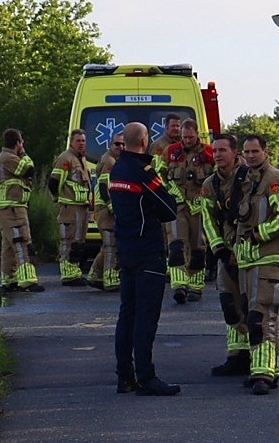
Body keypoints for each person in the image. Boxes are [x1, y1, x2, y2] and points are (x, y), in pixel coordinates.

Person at [108, 122, 183, 396]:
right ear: (144, 141)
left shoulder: (116, 169)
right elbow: (168, 209)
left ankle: (124, 376)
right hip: (147, 252)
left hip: (126, 249)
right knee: (145, 317)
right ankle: (146, 377)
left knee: (126, 314)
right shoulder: (143, 172)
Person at [230, 133, 279, 393]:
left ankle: (263, 375)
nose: (250, 155)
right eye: (247, 151)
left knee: (262, 316)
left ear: (265, 152)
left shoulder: (274, 179)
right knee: (252, 313)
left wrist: (258, 235)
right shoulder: (246, 179)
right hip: (249, 260)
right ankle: (265, 368)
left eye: (255, 151)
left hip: (270, 256)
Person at [195, 132, 251, 377]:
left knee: (252, 306)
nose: (217, 155)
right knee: (229, 304)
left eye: (222, 151)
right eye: (214, 151)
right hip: (225, 253)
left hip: (250, 252)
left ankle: (255, 354)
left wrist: (241, 251)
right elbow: (206, 219)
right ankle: (235, 355)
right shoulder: (209, 185)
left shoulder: (251, 179)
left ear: (235, 153)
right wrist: (220, 250)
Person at [163, 116, 216, 303]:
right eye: (184, 137)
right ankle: (179, 285)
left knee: (198, 248)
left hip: (199, 207)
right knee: (177, 245)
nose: (186, 141)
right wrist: (171, 191)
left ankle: (195, 286)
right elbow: (159, 174)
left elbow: (218, 179)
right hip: (177, 206)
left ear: (197, 135)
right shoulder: (170, 152)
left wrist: (207, 197)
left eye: (190, 137)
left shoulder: (209, 154)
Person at [0, 128, 43, 294]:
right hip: (12, 207)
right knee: (21, 241)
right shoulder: (9, 157)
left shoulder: (4, 158)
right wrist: (24, 154)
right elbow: (28, 170)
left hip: (7, 207)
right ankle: (27, 280)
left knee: (8, 244)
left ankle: (10, 279)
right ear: (18, 143)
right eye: (21, 142)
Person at [49, 129, 95, 286]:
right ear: (71, 142)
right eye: (78, 141)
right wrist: (58, 198)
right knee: (69, 241)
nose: (82, 144)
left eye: (83, 141)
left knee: (79, 242)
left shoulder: (81, 159)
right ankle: (68, 275)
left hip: (82, 207)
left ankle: (75, 272)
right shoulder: (65, 158)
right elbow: (54, 182)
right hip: (70, 207)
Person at [88, 133, 124, 291]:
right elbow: (103, 186)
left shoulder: (116, 160)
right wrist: (111, 206)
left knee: (108, 245)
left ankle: (94, 275)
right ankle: (110, 279)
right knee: (111, 245)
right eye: (117, 144)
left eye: (123, 144)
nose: (120, 147)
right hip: (105, 209)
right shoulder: (108, 161)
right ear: (111, 145)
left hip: (110, 208)